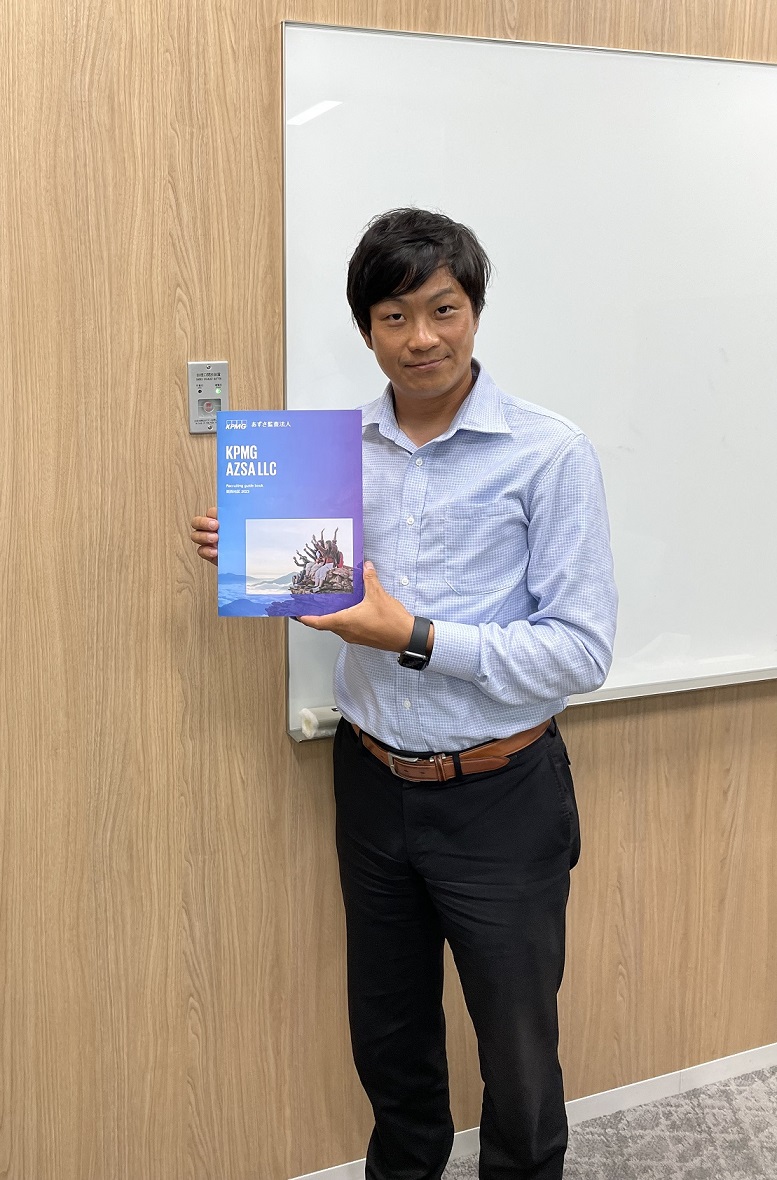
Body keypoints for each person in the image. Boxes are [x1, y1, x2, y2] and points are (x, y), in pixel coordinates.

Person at [190, 208, 618, 1180]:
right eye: (394, 316)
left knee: (517, 1051)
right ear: (367, 329)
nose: (421, 337)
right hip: (372, 780)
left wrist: (414, 636)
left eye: (442, 309)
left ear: (474, 313)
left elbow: (579, 652)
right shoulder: (332, 452)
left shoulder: (549, 453)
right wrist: (257, 552)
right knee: (388, 1037)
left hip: (501, 793)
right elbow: (329, 591)